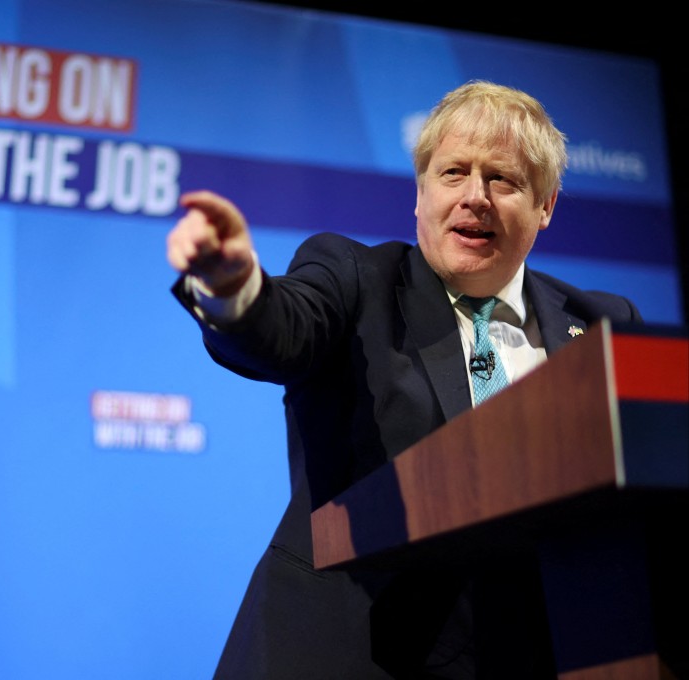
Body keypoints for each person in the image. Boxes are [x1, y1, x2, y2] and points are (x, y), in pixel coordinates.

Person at [165, 80, 644, 679]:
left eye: (504, 179)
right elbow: (283, 330)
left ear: (546, 206)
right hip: (347, 653)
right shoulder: (355, 279)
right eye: (453, 173)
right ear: (419, 194)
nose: (476, 197)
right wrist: (236, 288)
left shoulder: (604, 323)